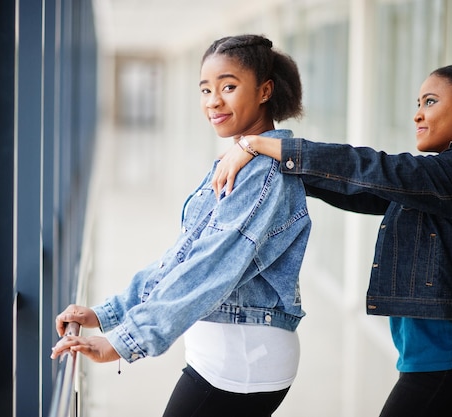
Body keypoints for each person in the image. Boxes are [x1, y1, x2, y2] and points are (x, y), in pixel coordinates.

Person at [212, 62, 452, 416]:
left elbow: (377, 168)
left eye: (430, 102)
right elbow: (363, 190)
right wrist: (281, 169)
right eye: (418, 104)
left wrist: (264, 145)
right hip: (438, 357)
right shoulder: (438, 179)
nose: (418, 115)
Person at [51, 34, 311, 417]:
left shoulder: (261, 173)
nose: (213, 101)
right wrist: (109, 313)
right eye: (205, 89)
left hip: (241, 363)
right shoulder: (238, 160)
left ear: (264, 91)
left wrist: (124, 342)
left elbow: (209, 268)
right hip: (228, 358)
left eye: (228, 86)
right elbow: (182, 256)